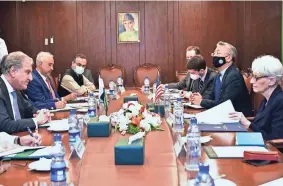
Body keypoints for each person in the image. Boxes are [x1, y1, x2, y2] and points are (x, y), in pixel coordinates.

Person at [192, 41, 253, 116]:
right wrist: (200, 98)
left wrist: (201, 102)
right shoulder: (219, 75)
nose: (214, 56)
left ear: (228, 58)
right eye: (214, 53)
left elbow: (224, 105)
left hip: (237, 120)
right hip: (222, 115)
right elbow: (212, 96)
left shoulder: (233, 76)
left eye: (218, 53)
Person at [230, 55, 283, 140]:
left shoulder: (280, 102)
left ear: (272, 81)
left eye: (256, 77)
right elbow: (260, 124)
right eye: (252, 76)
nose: (251, 81)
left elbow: (275, 139)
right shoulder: (267, 98)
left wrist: (248, 124)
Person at [0, 51, 51, 134]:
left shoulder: (16, 89)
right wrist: (36, 121)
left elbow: (29, 109)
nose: (31, 78)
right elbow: (4, 125)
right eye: (27, 72)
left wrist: (40, 113)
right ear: (13, 71)